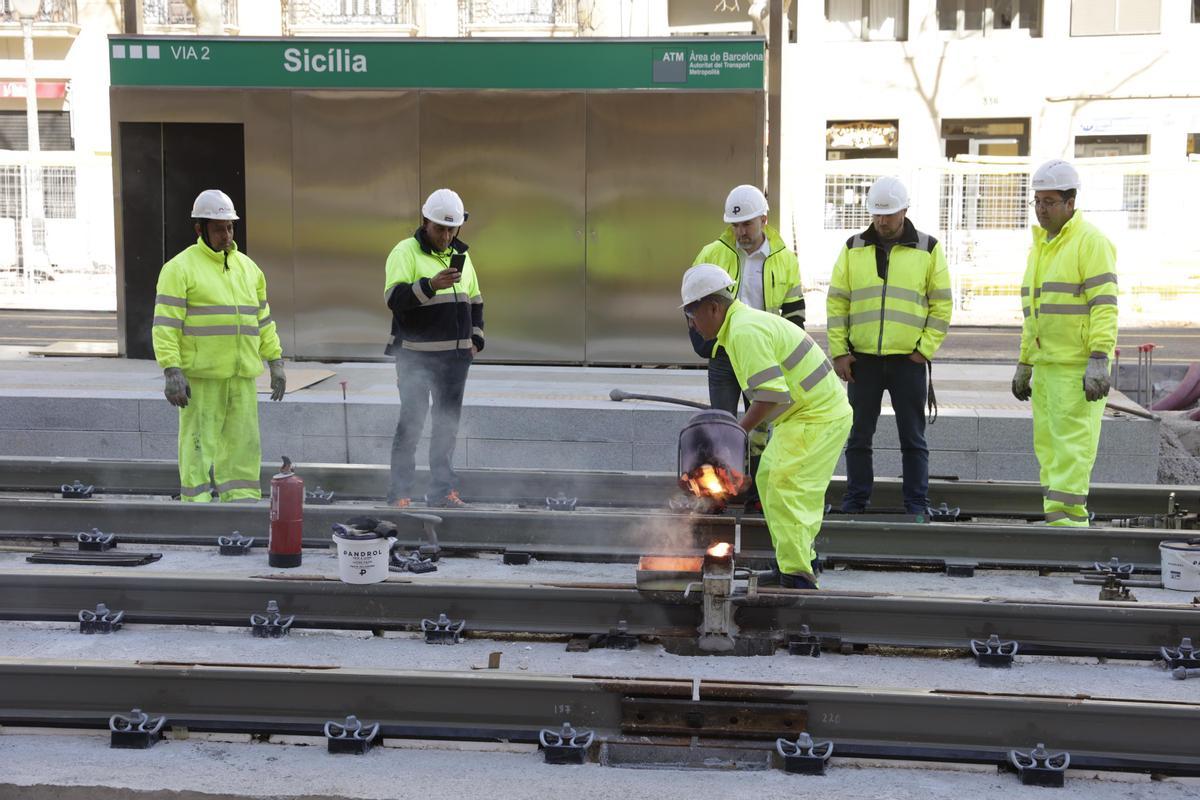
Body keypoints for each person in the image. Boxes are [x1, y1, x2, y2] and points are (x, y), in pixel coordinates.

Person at [680, 264, 851, 589]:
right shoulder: (740, 328)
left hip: (815, 416)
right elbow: (771, 395)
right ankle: (796, 563)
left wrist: (736, 434)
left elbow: (771, 395)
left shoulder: (744, 332)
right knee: (773, 481)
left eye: (692, 313)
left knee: (787, 489)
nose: (691, 323)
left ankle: (797, 576)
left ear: (714, 307)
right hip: (804, 415)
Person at [826, 176, 952, 515]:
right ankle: (855, 499)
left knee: (913, 438)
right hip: (862, 360)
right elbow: (837, 302)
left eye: (889, 215)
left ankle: (916, 503)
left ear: (905, 211)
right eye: (877, 215)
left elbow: (942, 305)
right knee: (858, 436)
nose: (882, 221)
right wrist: (839, 351)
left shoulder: (928, 248)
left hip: (907, 362)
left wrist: (924, 350)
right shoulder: (853, 247)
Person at [152, 189, 286, 503]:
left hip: (241, 375)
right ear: (200, 229)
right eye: (218, 228)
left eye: (230, 227)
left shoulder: (249, 268)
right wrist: (171, 370)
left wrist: (275, 361)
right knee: (198, 444)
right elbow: (165, 324)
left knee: (243, 444)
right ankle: (196, 505)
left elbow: (263, 320)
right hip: (202, 377)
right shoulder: (180, 268)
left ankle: (241, 500)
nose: (226, 235)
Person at [1011, 159, 1117, 526]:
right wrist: (1025, 361)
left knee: (1072, 448)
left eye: (1050, 202)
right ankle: (1057, 518)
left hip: (1076, 368)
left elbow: (1104, 306)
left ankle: (1069, 524)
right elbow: (1034, 313)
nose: (1042, 209)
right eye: (1037, 201)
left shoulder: (1091, 243)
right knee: (1050, 448)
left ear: (1071, 203)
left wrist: (1099, 357)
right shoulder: (1041, 247)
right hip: (1047, 366)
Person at [691, 185, 806, 499]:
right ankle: (720, 494)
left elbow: (795, 310)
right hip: (725, 353)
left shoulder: (785, 259)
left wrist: (786, 355)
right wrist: (704, 344)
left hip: (763, 355)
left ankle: (755, 492)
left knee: (761, 427)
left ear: (764, 220)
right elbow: (693, 299)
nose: (741, 231)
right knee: (723, 424)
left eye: (747, 224)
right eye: (736, 224)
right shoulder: (713, 253)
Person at [384, 188, 484, 509]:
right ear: (425, 221)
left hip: (455, 360)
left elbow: (476, 299)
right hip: (415, 357)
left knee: (446, 426)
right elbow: (394, 299)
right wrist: (430, 285)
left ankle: (442, 491)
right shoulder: (405, 252)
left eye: (452, 229)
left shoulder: (463, 257)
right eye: (440, 228)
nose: (446, 236)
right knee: (411, 424)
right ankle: (400, 493)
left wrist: (476, 339)